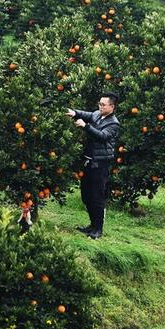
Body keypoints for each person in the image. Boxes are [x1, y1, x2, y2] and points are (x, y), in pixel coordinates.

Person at [66, 93, 121, 239]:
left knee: (97, 196)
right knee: (86, 195)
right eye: (99, 104)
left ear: (112, 107)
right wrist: (75, 113)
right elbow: (87, 114)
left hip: (101, 164)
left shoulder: (113, 123)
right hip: (89, 161)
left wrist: (86, 126)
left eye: (103, 105)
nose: (100, 107)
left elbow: (102, 136)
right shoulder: (97, 114)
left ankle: (98, 229)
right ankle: (92, 225)